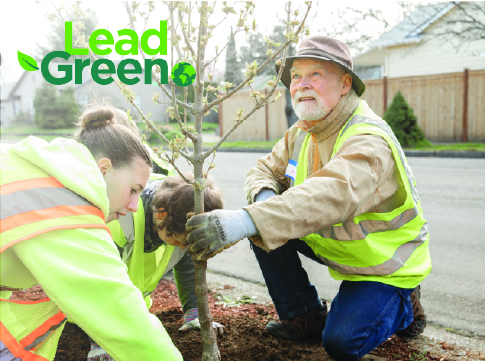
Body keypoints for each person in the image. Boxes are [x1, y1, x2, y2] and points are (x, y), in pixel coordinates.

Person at [184, 36, 432, 361]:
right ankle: (303, 315)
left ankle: (406, 304)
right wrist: (263, 201)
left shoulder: (369, 139)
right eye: (296, 76)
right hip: (339, 246)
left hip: (384, 264)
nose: (302, 85)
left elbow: (328, 195)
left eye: (316, 75)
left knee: (341, 343)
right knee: (262, 227)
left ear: (345, 84)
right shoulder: (304, 131)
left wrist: (248, 218)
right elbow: (263, 170)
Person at [0, 107, 182, 360]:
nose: (133, 206)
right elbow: (116, 309)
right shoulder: (65, 208)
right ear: (104, 169)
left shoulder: (39, 170)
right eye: (133, 189)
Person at [88, 173, 224, 360]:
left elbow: (186, 268)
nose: (184, 247)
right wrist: (102, 340)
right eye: (180, 240)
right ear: (161, 215)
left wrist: (194, 315)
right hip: (88, 305)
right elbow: (98, 281)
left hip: (130, 311)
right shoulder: (121, 218)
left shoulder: (179, 219)